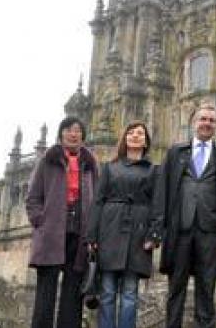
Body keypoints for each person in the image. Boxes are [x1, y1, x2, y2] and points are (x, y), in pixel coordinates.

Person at [150, 102, 216, 328]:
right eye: (203, 119)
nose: (207, 124)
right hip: (180, 227)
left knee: (207, 285)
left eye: (211, 120)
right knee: (176, 285)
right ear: (193, 123)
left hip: (211, 229)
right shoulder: (175, 153)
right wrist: (157, 228)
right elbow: (163, 190)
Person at [87, 121, 160, 328]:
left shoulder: (154, 170)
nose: (136, 136)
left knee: (130, 293)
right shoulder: (109, 168)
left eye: (140, 133)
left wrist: (153, 235)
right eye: (131, 133)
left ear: (146, 141)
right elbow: (98, 202)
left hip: (138, 231)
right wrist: (91, 236)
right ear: (125, 138)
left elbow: (157, 204)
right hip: (110, 229)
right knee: (108, 291)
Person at [27, 116, 99, 328]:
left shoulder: (91, 164)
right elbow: (32, 197)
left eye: (77, 130)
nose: (73, 133)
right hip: (51, 233)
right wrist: (40, 221)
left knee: (72, 294)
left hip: (80, 236)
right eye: (68, 129)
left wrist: (93, 231)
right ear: (61, 134)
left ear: (83, 136)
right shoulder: (47, 160)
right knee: (45, 293)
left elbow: (98, 199)